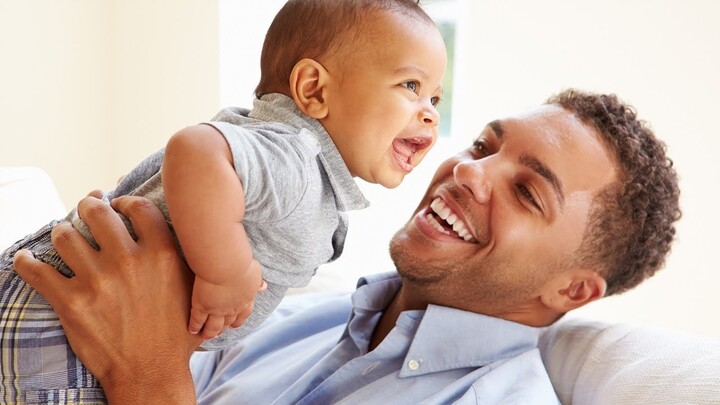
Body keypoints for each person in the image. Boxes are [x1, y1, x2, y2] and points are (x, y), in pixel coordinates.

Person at [14, 89, 681, 404]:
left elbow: (149, 373)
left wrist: (150, 379)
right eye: (484, 145)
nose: (469, 171)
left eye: (530, 193)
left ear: (571, 289)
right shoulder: (309, 313)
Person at [0, 0, 446, 402]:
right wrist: (226, 273)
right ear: (314, 89)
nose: (429, 111)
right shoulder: (296, 155)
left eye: (435, 97)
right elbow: (194, 149)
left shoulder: (296, 162)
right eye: (410, 85)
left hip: (79, 311)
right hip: (62, 321)